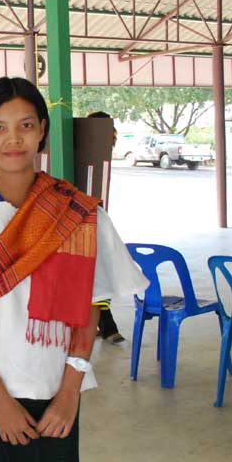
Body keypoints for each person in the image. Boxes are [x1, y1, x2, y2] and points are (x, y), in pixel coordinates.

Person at [0, 77, 148, 462]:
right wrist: (0, 402)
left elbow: (89, 308)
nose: (13, 139)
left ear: (42, 130)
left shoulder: (79, 214)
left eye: (26, 125)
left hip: (53, 398)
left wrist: (69, 395)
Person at [87, 111, 125, 344]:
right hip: (86, 221)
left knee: (99, 274)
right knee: (96, 275)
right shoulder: (86, 152)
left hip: (96, 220)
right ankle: (107, 326)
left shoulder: (97, 155)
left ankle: (106, 325)